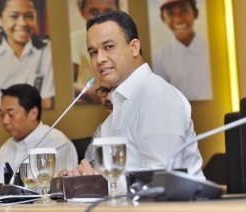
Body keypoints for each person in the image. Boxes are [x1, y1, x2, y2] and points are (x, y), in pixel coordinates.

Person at [64, 11, 204, 178]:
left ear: (134, 47)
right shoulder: (115, 111)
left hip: (179, 204)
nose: (99, 59)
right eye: (93, 52)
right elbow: (111, 178)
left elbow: (162, 178)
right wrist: (84, 178)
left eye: (109, 47)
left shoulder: (156, 95)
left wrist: (98, 182)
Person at [0, 84, 77, 184]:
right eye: (2, 114)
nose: (5, 121)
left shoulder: (56, 143)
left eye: (11, 114)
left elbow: (57, 187)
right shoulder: (7, 147)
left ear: (33, 113)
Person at [0, 0, 55, 110]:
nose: (22, 23)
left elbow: (46, 103)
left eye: (29, 16)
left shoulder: (46, 52)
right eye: (14, 16)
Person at [152, 0, 212, 101]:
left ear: (195, 13)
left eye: (184, 11)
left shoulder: (211, 50)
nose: (178, 19)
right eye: (171, 13)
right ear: (162, 18)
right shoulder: (159, 57)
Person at [70, 0, 122, 103]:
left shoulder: (124, 38)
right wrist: (91, 93)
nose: (101, 17)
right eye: (94, 11)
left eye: (108, 11)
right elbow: (67, 84)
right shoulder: (76, 39)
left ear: (118, 11)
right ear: (82, 12)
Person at [83, 83, 113, 163]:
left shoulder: (135, 123)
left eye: (114, 90)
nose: (107, 98)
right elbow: (89, 164)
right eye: (103, 91)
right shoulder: (100, 129)